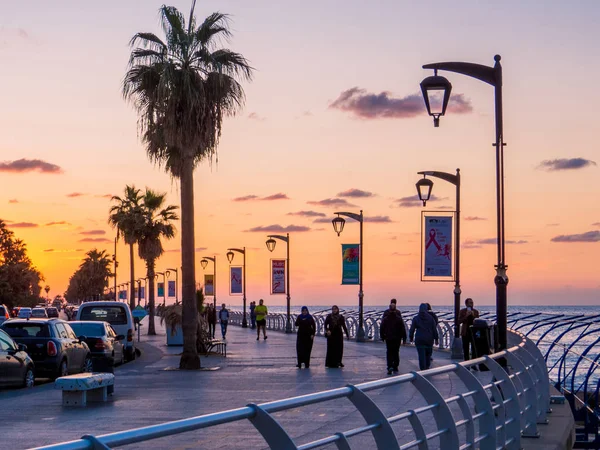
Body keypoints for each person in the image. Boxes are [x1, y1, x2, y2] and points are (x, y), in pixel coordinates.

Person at [380, 299, 407, 375]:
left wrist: (382, 336)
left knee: (389, 351)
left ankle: (389, 366)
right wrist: (404, 338)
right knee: (396, 351)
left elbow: (382, 327)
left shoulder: (385, 317)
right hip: (397, 338)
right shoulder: (398, 316)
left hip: (388, 337)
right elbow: (402, 328)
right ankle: (395, 366)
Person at [409, 303, 439, 370]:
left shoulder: (416, 318)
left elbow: (412, 329)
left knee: (421, 355)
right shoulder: (431, 318)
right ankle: (427, 366)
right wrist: (436, 338)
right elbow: (434, 329)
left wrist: (411, 337)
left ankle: (422, 368)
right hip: (429, 339)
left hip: (419, 339)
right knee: (428, 354)